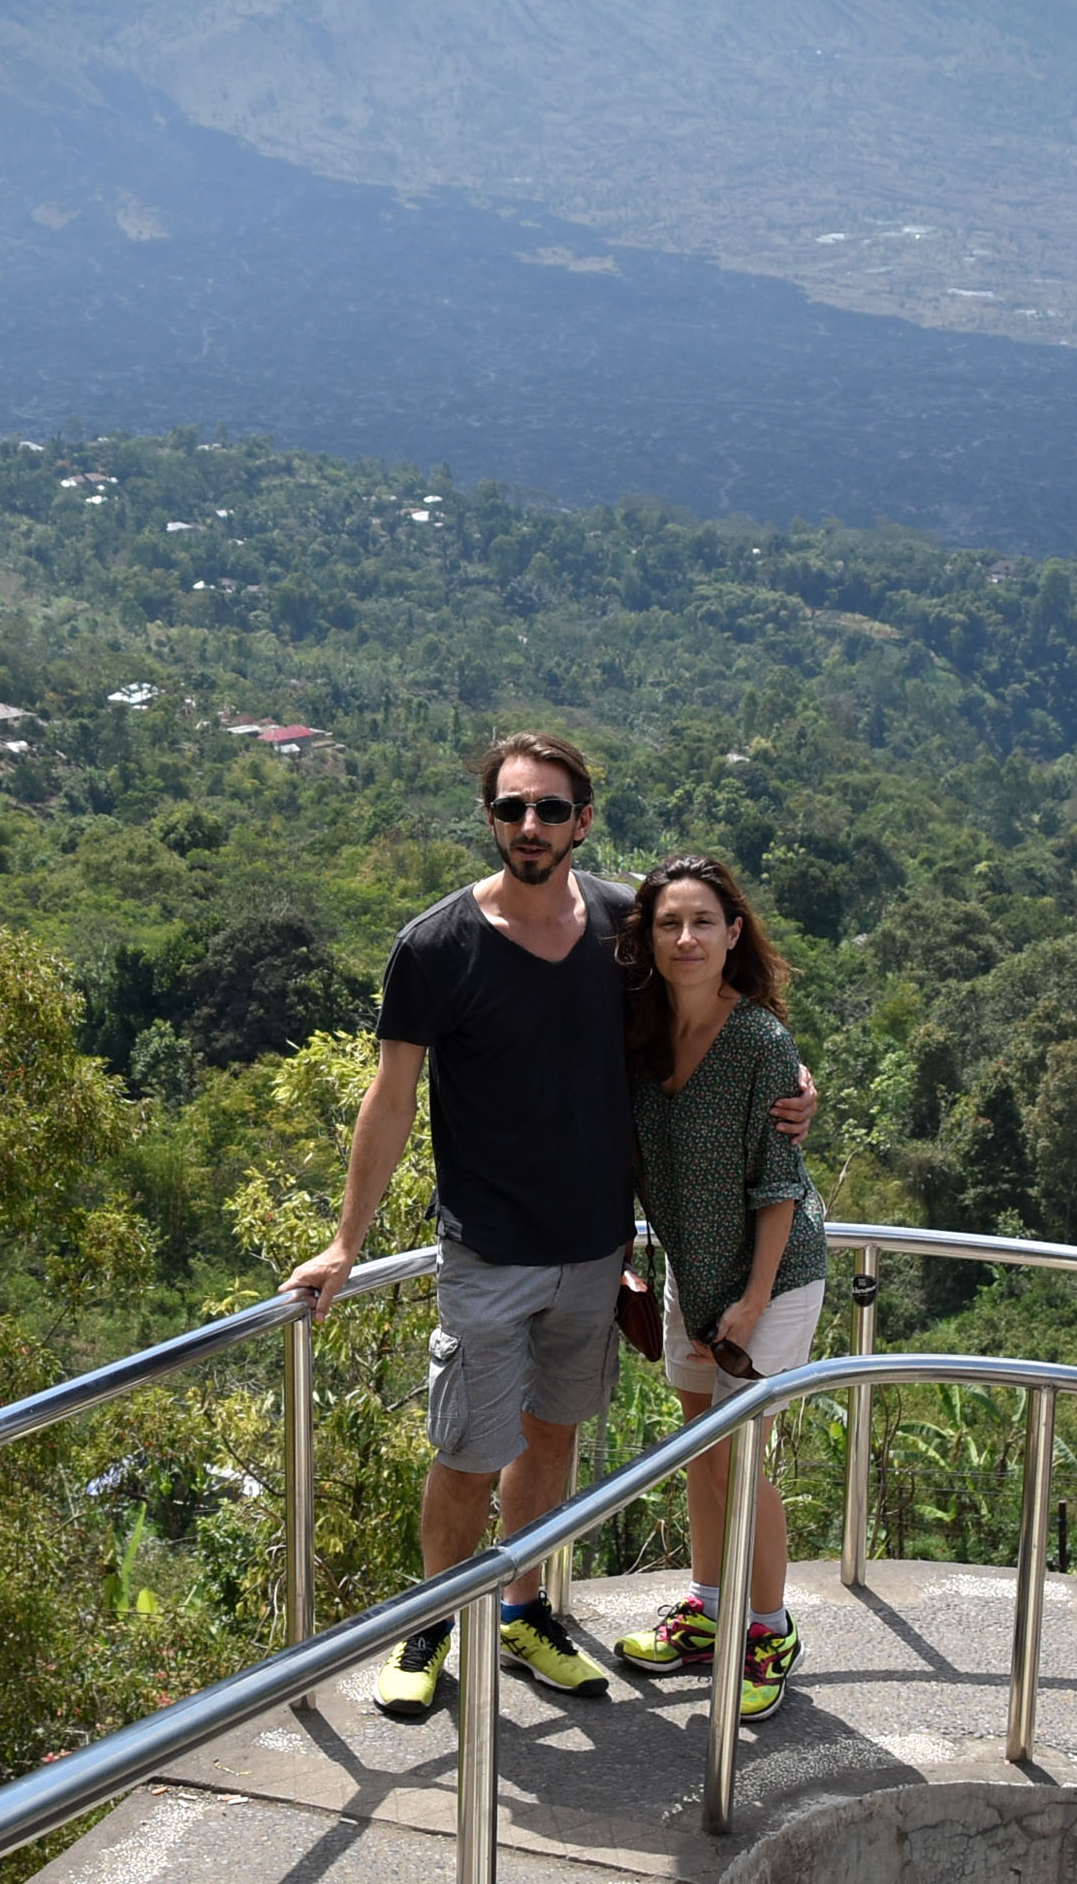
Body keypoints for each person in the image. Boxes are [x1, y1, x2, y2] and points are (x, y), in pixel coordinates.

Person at [281, 735, 809, 1724]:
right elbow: (389, 1099)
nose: (531, 826)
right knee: (468, 1449)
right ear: (490, 818)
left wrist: (791, 1084)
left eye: (551, 810)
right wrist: (345, 1241)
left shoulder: (621, 926)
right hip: (487, 1243)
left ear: (583, 820)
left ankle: (523, 1610)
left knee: (550, 1436)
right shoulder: (436, 946)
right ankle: (432, 1624)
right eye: (513, 808)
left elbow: (707, 1011)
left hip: (594, 1246)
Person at [607, 853, 825, 1722]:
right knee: (700, 1444)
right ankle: (707, 1607)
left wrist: (750, 1302)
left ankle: (767, 1628)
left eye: (703, 921)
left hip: (770, 1278)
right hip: (690, 1273)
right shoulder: (641, 1033)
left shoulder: (761, 1042)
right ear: (649, 940)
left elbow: (780, 1188)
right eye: (669, 924)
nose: (687, 938)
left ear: (734, 934)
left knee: (738, 1454)